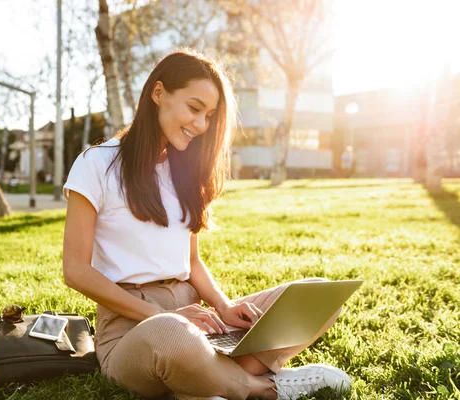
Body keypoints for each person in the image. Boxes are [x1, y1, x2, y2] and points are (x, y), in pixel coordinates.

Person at [62, 49, 351, 400]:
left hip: (198, 322)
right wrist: (162, 316)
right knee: (171, 334)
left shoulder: (186, 172)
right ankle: (265, 389)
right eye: (194, 108)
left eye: (209, 116)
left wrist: (224, 307)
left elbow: (192, 261)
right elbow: (76, 270)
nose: (200, 125)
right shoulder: (95, 164)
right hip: (132, 330)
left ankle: (204, 383)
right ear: (158, 93)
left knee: (317, 296)